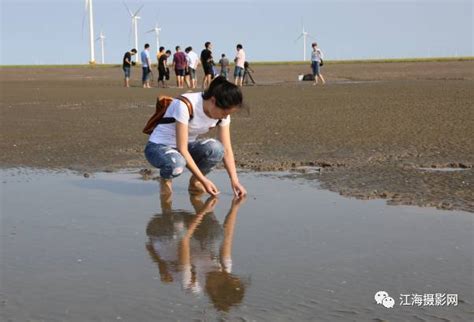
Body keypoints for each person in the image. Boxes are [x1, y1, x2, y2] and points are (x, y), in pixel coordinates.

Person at [144, 76, 247, 198]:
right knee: (177, 164)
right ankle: (166, 180)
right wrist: (204, 180)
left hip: (186, 147)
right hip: (158, 147)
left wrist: (234, 181)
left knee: (217, 149)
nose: (225, 117)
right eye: (224, 113)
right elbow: (182, 149)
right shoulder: (185, 105)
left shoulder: (223, 115)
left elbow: (227, 149)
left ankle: (194, 182)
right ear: (213, 101)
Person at [146, 195, 247, 311]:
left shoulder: (191, 283)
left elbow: (184, 241)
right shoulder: (225, 268)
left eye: (225, 278)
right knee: (216, 235)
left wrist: (202, 212)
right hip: (184, 229)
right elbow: (228, 235)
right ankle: (197, 198)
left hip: (160, 231)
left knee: (178, 226)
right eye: (229, 276)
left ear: (214, 290)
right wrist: (235, 206)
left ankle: (168, 204)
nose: (225, 273)